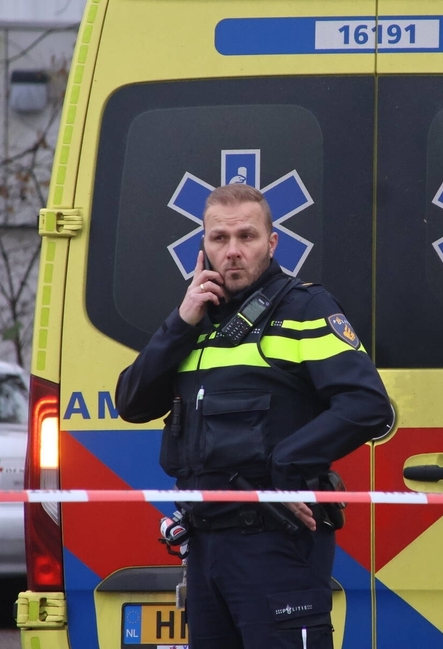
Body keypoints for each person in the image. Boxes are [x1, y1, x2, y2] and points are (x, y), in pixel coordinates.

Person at [115, 183, 393, 649]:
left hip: (276, 542)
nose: (233, 251)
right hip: (206, 548)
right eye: (219, 239)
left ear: (272, 243)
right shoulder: (197, 320)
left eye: (247, 236)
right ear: (202, 247)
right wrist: (179, 323)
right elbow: (132, 403)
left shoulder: (306, 308)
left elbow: (367, 406)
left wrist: (284, 473)